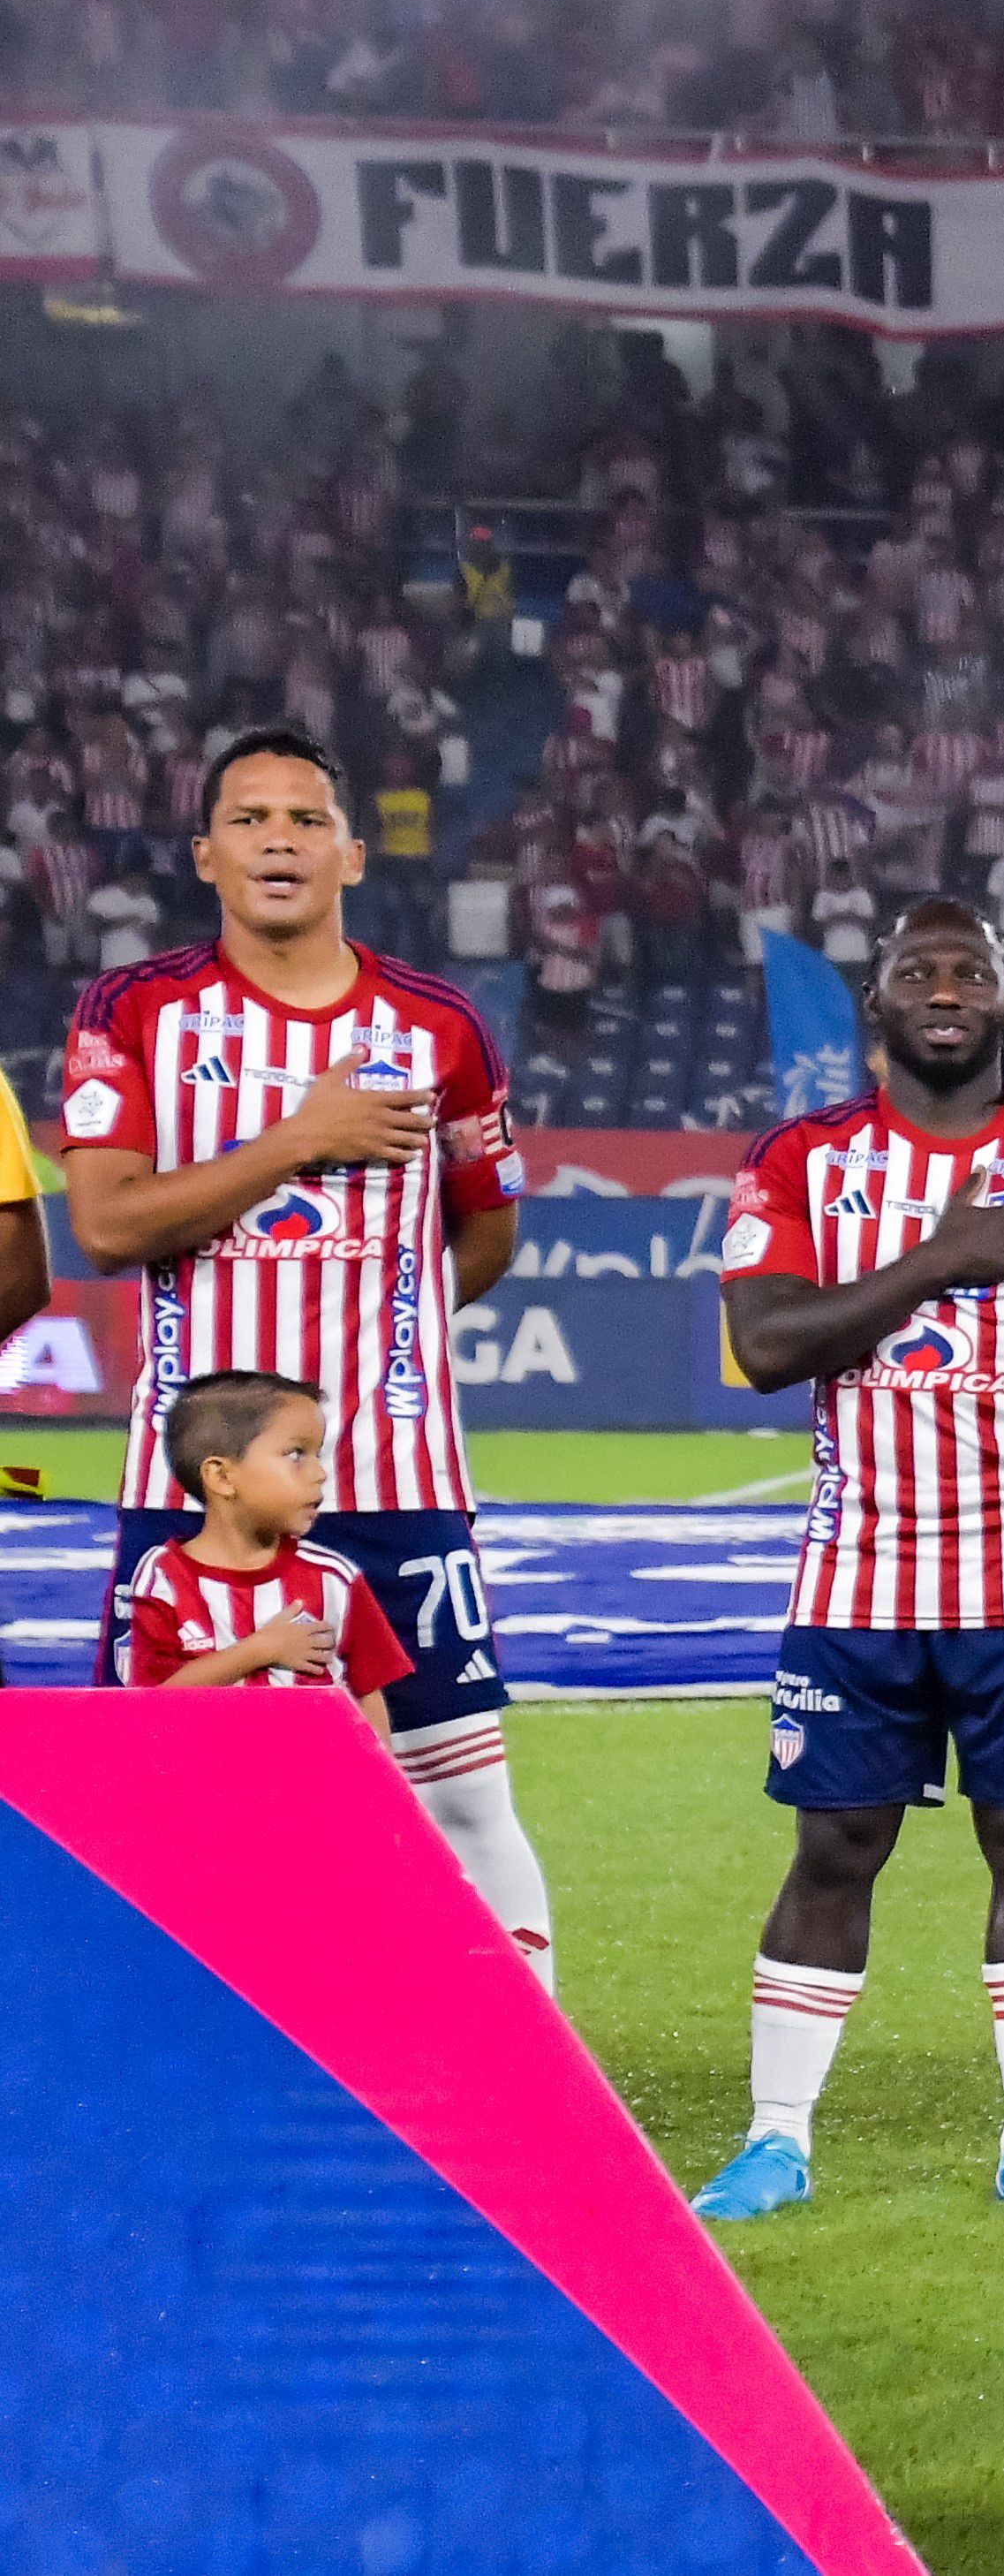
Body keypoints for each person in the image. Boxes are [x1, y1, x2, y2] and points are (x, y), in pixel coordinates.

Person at [688, 902, 1004, 2226]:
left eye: (973, 971)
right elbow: (769, 1342)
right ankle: (774, 2138)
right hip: (855, 1578)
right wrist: (940, 1258)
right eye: (919, 970)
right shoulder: (802, 1160)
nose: (946, 988)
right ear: (878, 1005)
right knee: (835, 1846)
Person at [64, 726, 549, 1985]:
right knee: (167, 1800)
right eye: (250, 818)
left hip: (398, 1482)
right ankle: (179, 2063)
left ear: (349, 851)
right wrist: (302, 1138)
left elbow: (484, 1230)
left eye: (303, 817)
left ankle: (531, 2080)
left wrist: (388, 1350)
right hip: (192, 1489)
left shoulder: (441, 1025)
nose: (278, 837)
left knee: (460, 1795)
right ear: (207, 856)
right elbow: (111, 1224)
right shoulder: (136, 1011)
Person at [111, 1369, 411, 1703]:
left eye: (318, 1454)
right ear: (222, 1476)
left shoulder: (335, 1577)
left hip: (313, 1758)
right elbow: (147, 1703)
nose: (320, 1473)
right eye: (297, 1455)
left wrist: (377, 1757)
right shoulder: (162, 1580)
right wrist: (261, 1650)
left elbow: (368, 1697)